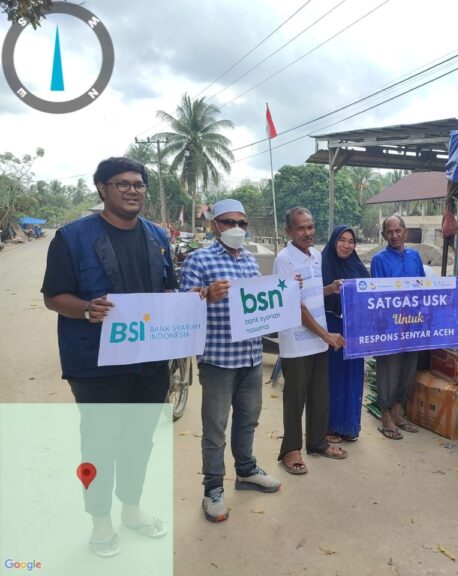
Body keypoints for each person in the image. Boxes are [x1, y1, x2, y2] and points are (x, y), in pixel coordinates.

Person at [41, 157, 175, 557]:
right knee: (99, 444)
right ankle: (100, 519)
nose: (132, 190)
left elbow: (168, 289)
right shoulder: (72, 237)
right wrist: (85, 309)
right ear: (102, 188)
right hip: (96, 364)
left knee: (139, 441)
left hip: (150, 361)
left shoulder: (157, 237)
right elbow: (53, 296)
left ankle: (131, 510)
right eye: (122, 184)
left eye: (139, 184)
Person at [180, 199, 280, 523]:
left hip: (250, 356)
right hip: (218, 358)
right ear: (214, 226)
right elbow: (182, 307)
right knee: (215, 428)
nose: (236, 228)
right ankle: (212, 488)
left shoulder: (250, 261)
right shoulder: (199, 259)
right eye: (228, 222)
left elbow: (259, 302)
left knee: (248, 419)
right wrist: (206, 294)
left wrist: (286, 294)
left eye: (242, 222)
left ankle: (247, 470)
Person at [274, 207, 348, 474]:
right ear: (289, 232)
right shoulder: (284, 259)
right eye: (301, 228)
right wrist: (326, 335)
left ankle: (317, 442)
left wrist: (331, 288)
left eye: (311, 226)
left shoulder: (315, 255)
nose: (308, 232)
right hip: (297, 340)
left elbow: (312, 291)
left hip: (318, 338)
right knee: (295, 397)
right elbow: (295, 305)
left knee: (320, 393)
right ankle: (290, 450)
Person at [370, 215, 425, 440]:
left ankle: (398, 412)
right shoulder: (379, 260)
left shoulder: (415, 256)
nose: (394, 235)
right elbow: (377, 293)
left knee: (409, 367)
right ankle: (385, 415)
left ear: (405, 232)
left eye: (397, 231)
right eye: (389, 232)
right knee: (389, 369)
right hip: (390, 325)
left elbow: (424, 286)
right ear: (384, 235)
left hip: (413, 324)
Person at [321, 225, 370, 443]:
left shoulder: (358, 267)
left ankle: (350, 426)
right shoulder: (322, 264)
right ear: (333, 241)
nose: (346, 245)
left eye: (351, 241)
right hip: (330, 327)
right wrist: (330, 289)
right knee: (333, 377)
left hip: (354, 329)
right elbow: (309, 297)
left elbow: (371, 296)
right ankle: (330, 427)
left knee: (353, 376)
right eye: (342, 240)